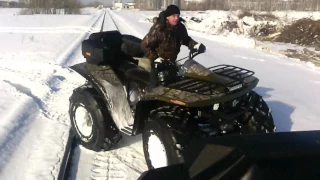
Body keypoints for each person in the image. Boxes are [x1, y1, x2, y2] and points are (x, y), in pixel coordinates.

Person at [141, 4, 206, 90]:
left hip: (171, 62)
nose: (176, 18)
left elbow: (185, 39)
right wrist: (155, 58)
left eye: (178, 16)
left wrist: (195, 45)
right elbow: (145, 44)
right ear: (167, 17)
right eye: (174, 16)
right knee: (154, 88)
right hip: (157, 63)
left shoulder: (180, 28)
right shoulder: (159, 28)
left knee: (175, 85)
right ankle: (146, 100)